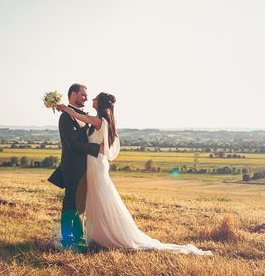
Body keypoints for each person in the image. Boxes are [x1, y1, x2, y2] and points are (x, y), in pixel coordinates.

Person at [55, 93, 212, 256]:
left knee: (100, 198)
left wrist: (65, 108)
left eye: (94, 98)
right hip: (95, 163)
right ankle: (97, 234)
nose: (91, 100)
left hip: (95, 164)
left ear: (100, 103)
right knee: (98, 198)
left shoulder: (98, 120)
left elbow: (75, 115)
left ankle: (109, 234)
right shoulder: (105, 120)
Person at [49, 83, 103, 251]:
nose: (86, 98)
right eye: (83, 95)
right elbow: (73, 143)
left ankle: (78, 237)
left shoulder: (80, 115)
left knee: (79, 203)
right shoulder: (66, 117)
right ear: (73, 95)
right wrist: (96, 149)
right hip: (72, 167)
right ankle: (68, 239)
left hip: (85, 167)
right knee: (71, 203)